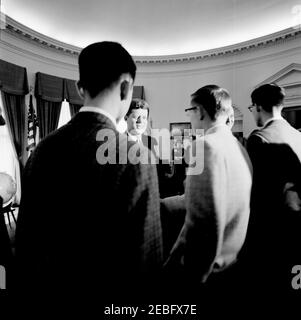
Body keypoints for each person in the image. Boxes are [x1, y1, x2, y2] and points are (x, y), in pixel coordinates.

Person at [15, 42, 163, 298]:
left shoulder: (42, 150)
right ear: (127, 87)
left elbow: (25, 246)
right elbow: (145, 263)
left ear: (79, 88)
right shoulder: (135, 156)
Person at [164, 85, 252, 295]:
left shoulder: (203, 146)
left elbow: (201, 223)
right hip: (232, 260)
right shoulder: (238, 146)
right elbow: (208, 198)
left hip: (206, 272)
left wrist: (183, 277)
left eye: (189, 111)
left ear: (200, 111)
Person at [241, 83, 301, 292]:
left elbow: (255, 193)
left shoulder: (259, 138)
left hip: (269, 229)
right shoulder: (298, 136)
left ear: (257, 106)